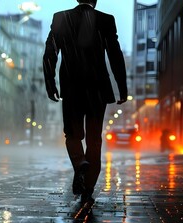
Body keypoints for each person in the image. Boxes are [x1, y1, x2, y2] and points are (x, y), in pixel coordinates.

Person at [43, 0, 128, 204]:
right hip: (97, 89)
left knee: (72, 134)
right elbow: (115, 54)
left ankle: (80, 162)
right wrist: (122, 86)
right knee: (94, 139)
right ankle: (88, 189)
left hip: (72, 87)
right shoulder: (106, 20)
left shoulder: (61, 18)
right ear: (95, 0)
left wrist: (50, 83)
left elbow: (50, 53)